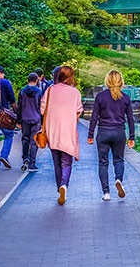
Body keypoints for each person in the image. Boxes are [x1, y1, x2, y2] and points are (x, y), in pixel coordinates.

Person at [88, 70, 136, 201]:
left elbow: (94, 117)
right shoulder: (125, 97)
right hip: (119, 133)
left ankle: (106, 193)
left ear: (107, 81)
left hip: (103, 133)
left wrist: (90, 134)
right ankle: (119, 179)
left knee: (103, 163)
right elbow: (130, 119)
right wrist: (132, 137)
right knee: (119, 160)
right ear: (121, 82)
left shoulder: (100, 96)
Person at [40, 65, 83, 205]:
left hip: (52, 132)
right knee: (66, 162)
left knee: (56, 162)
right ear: (70, 77)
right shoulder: (75, 92)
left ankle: (59, 188)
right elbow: (78, 111)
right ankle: (64, 185)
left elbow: (42, 110)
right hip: (67, 132)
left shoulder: (50, 90)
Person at [17, 73, 43, 172]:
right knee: (34, 141)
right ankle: (32, 163)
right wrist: (42, 121)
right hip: (36, 119)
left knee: (25, 139)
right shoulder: (39, 92)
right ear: (37, 81)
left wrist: (18, 120)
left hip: (24, 118)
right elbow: (41, 107)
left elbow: (19, 107)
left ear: (27, 80)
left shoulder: (22, 91)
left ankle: (25, 158)